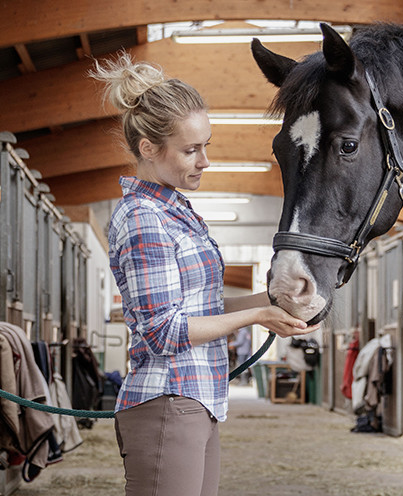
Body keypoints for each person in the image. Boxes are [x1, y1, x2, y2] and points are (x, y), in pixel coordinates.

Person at [90, 52, 317, 496]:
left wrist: (274, 299)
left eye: (206, 145)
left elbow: (204, 309)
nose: (205, 160)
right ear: (148, 149)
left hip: (198, 400)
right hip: (166, 402)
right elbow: (163, 332)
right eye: (191, 150)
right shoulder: (143, 219)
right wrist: (255, 319)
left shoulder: (178, 213)